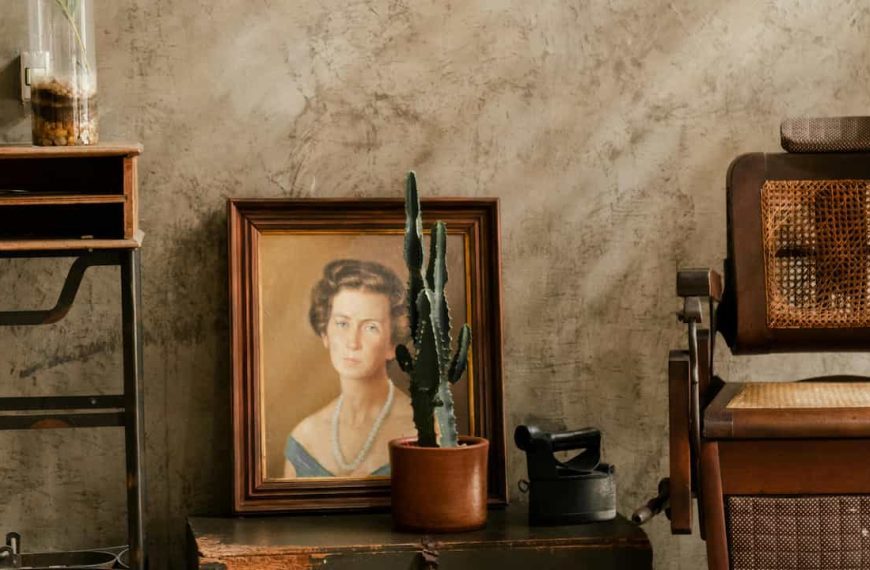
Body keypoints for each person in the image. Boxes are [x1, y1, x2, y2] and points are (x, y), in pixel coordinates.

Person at [284, 258, 416, 478]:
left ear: (393, 345)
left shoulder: (425, 429)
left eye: (370, 327)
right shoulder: (304, 437)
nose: (352, 342)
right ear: (325, 334)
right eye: (342, 323)